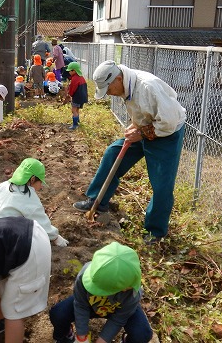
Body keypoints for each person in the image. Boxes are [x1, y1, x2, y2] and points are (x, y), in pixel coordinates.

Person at [73, 60, 186, 243]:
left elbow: (169, 122)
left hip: (166, 134)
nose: (109, 93)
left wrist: (141, 133)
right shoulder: (126, 85)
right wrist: (135, 128)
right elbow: (141, 111)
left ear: (117, 79)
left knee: (162, 184)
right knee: (112, 153)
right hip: (145, 127)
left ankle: (155, 231)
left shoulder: (147, 87)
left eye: (108, 89)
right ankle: (97, 201)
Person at [49, 242, 153, 343]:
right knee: (58, 314)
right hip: (91, 304)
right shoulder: (84, 276)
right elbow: (81, 305)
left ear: (126, 288)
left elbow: (118, 319)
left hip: (116, 309)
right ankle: (67, 336)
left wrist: (101, 341)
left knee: (142, 334)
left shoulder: (132, 294)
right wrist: (81, 337)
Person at [0, 157, 69, 247]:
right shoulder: (28, 198)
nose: (41, 186)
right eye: (40, 182)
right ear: (33, 179)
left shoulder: (1, 186)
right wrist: (55, 237)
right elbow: (42, 225)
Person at [64, 61, 88, 130]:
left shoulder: (74, 79)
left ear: (74, 71)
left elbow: (73, 89)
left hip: (77, 97)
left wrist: (70, 94)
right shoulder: (81, 77)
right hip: (83, 97)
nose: (69, 72)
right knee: (77, 109)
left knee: (73, 110)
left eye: (70, 71)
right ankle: (78, 122)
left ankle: (75, 125)